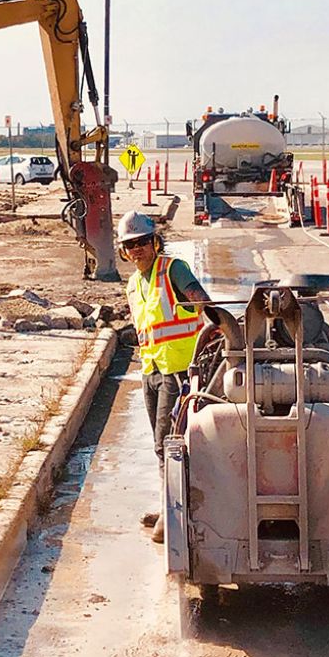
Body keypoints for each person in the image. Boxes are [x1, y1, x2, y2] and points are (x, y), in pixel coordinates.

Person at [117, 210, 212, 544]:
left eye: (143, 242)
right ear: (123, 251)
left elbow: (201, 301)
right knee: (161, 445)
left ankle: (173, 516)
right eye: (131, 245)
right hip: (151, 370)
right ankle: (169, 503)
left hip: (179, 371)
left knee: (167, 443)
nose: (138, 249)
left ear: (154, 242)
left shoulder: (173, 269)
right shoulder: (133, 284)